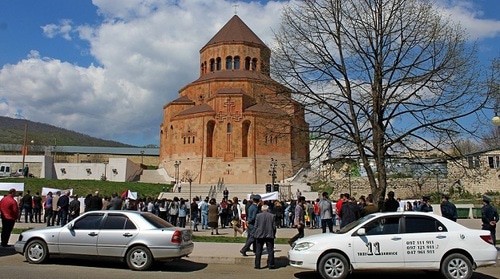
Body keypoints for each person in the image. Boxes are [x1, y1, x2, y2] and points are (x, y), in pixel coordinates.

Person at [253, 204, 276, 269]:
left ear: (261, 209)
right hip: (270, 235)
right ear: (268, 209)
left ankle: (257, 265)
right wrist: (273, 234)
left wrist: (255, 233)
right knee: (270, 250)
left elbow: (256, 226)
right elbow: (274, 227)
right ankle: (271, 265)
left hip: (259, 235)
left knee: (258, 250)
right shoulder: (272, 216)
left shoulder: (258, 216)